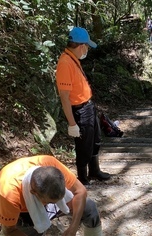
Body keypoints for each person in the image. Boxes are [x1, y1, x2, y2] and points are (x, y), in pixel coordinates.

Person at [0, 155, 123, 236]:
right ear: (33, 192)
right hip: (24, 213)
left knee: (89, 207)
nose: (54, 204)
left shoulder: (51, 165)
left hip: (45, 195)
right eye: (49, 202)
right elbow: (8, 231)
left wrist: (73, 229)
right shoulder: (9, 194)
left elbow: (81, 191)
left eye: (58, 200)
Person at [55, 27, 110, 186]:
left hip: (88, 106)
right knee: (83, 144)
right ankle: (82, 178)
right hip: (79, 110)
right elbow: (64, 97)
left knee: (95, 140)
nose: (87, 50)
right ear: (81, 46)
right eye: (87, 47)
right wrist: (72, 123)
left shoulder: (73, 58)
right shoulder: (65, 62)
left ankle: (94, 171)